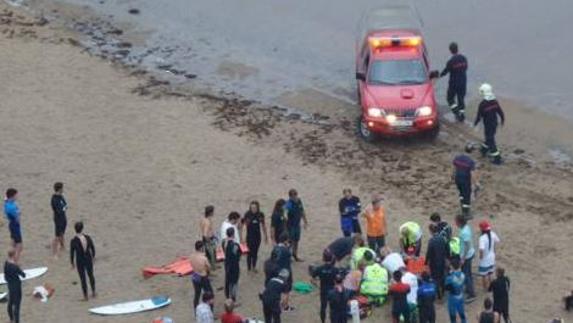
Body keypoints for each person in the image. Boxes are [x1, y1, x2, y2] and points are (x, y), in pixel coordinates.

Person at [474, 83, 505, 165]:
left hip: (488, 125)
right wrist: (502, 121)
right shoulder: (495, 102)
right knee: (489, 137)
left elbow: (479, 116)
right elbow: (500, 112)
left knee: (491, 141)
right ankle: (484, 150)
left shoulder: (482, 104)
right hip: (494, 124)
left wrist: (475, 124)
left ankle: (497, 158)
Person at [440, 42, 468, 122]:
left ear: (450, 51)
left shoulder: (451, 62)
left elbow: (445, 72)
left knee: (450, 99)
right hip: (463, 82)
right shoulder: (464, 58)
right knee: (461, 99)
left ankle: (456, 112)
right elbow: (466, 68)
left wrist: (439, 75)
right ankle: (462, 115)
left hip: (454, 84)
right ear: (457, 49)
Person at [70, 221, 96, 301]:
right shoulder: (87, 237)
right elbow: (92, 248)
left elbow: (72, 253)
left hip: (80, 260)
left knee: (83, 278)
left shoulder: (74, 241)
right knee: (91, 275)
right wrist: (93, 256)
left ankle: (85, 296)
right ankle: (93, 292)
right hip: (88, 258)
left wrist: (72, 262)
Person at [310, 250, 339, 323]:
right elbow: (338, 280)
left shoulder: (319, 269)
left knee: (323, 307)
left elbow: (312, 280)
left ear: (323, 258)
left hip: (323, 289)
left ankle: (323, 321)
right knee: (333, 308)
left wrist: (317, 286)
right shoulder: (335, 270)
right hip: (332, 290)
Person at [242, 201, 268, 272]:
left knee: (255, 252)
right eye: (252, 207)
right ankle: (249, 268)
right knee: (249, 253)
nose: (253, 209)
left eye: (254, 208)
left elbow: (263, 226)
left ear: (257, 208)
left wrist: (266, 236)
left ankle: (254, 266)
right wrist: (243, 238)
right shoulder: (247, 214)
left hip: (257, 236)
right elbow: (244, 226)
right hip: (249, 237)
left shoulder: (260, 215)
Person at [425, 223, 449, 299]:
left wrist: (426, 262)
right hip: (442, 260)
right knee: (442, 276)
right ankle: (443, 290)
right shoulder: (442, 238)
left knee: (435, 279)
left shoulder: (431, 241)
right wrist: (447, 258)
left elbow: (428, 253)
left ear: (431, 231)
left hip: (434, 262)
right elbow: (447, 249)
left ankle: (438, 295)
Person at [455, 215, 476, 301]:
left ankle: (471, 294)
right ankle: (469, 289)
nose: (455, 223)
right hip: (469, 254)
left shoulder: (464, 232)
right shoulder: (466, 228)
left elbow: (467, 246)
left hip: (466, 256)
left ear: (459, 222)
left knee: (466, 275)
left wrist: (463, 258)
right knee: (468, 273)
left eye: (456, 221)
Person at [272, 233, 294, 311]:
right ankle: (285, 306)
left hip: (276, 271)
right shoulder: (286, 250)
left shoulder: (275, 248)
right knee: (287, 290)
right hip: (286, 272)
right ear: (285, 240)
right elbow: (290, 259)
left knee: (278, 289)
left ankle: (278, 304)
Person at [285, 189, 308, 262]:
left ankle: (295, 255)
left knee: (297, 240)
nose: (295, 197)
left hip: (297, 224)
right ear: (290, 197)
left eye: (296, 195)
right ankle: (287, 256)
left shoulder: (299, 201)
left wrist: (305, 221)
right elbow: (285, 213)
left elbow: (302, 211)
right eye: (293, 196)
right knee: (290, 241)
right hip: (290, 225)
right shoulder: (288, 204)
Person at [190, 240, 213, 309]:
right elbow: (209, 267)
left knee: (197, 294)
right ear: (201, 248)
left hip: (195, 276)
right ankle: (210, 310)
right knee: (209, 294)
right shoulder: (203, 258)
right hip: (203, 277)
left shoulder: (191, 256)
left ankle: (196, 310)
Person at [478, 220, 500, 290]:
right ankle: (491, 286)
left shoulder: (482, 238)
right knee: (490, 273)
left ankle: (486, 288)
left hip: (485, 260)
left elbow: (481, 249)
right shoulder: (493, 234)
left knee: (484, 275)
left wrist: (481, 257)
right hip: (492, 257)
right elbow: (497, 241)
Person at [4, 249, 25, 323]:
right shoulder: (15, 267)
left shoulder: (6, 263)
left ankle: (11, 319)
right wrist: (18, 267)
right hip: (16, 287)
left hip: (10, 286)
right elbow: (23, 275)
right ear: (13, 255)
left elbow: (5, 276)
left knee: (10, 303)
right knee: (17, 306)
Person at [4, 189, 23, 264]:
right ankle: (15, 262)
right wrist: (19, 211)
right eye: (16, 195)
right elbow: (17, 218)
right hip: (15, 226)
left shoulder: (7, 203)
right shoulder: (11, 207)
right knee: (19, 246)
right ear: (12, 196)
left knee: (13, 243)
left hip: (11, 225)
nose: (17, 196)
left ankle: (10, 259)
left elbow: (5, 199)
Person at [445, 258, 466, 323]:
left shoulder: (450, 278)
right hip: (460, 295)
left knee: (453, 316)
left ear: (452, 266)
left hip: (452, 298)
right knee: (462, 314)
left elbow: (446, 288)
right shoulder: (463, 275)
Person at [51, 182, 68, 258]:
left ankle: (62, 246)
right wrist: (64, 208)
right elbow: (59, 210)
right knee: (57, 236)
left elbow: (65, 205)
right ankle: (54, 253)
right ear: (60, 189)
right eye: (62, 188)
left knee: (62, 233)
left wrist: (64, 208)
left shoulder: (61, 197)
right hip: (58, 219)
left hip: (63, 217)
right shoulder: (54, 199)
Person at [224, 227, 241, 302]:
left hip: (227, 264)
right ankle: (233, 299)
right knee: (234, 282)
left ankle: (227, 296)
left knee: (227, 281)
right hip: (234, 265)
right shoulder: (235, 245)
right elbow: (238, 255)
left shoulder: (224, 243)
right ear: (233, 234)